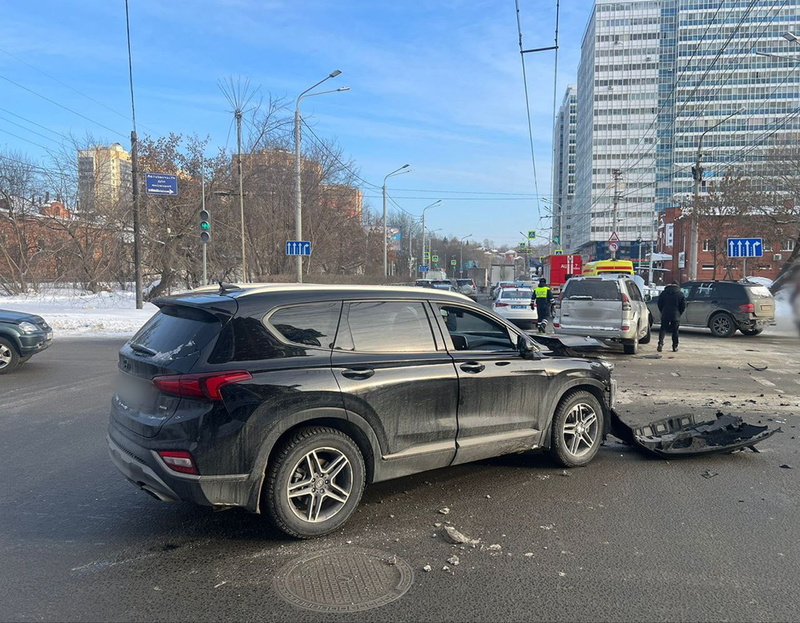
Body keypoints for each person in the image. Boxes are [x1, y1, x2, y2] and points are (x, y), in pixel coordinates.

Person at [657, 281, 686, 352]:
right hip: (675, 314)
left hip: (665, 313)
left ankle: (660, 343)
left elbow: (659, 303)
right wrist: (679, 313)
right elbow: (683, 306)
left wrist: (662, 311)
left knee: (663, 329)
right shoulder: (680, 294)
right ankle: (674, 346)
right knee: (675, 331)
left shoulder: (663, 293)